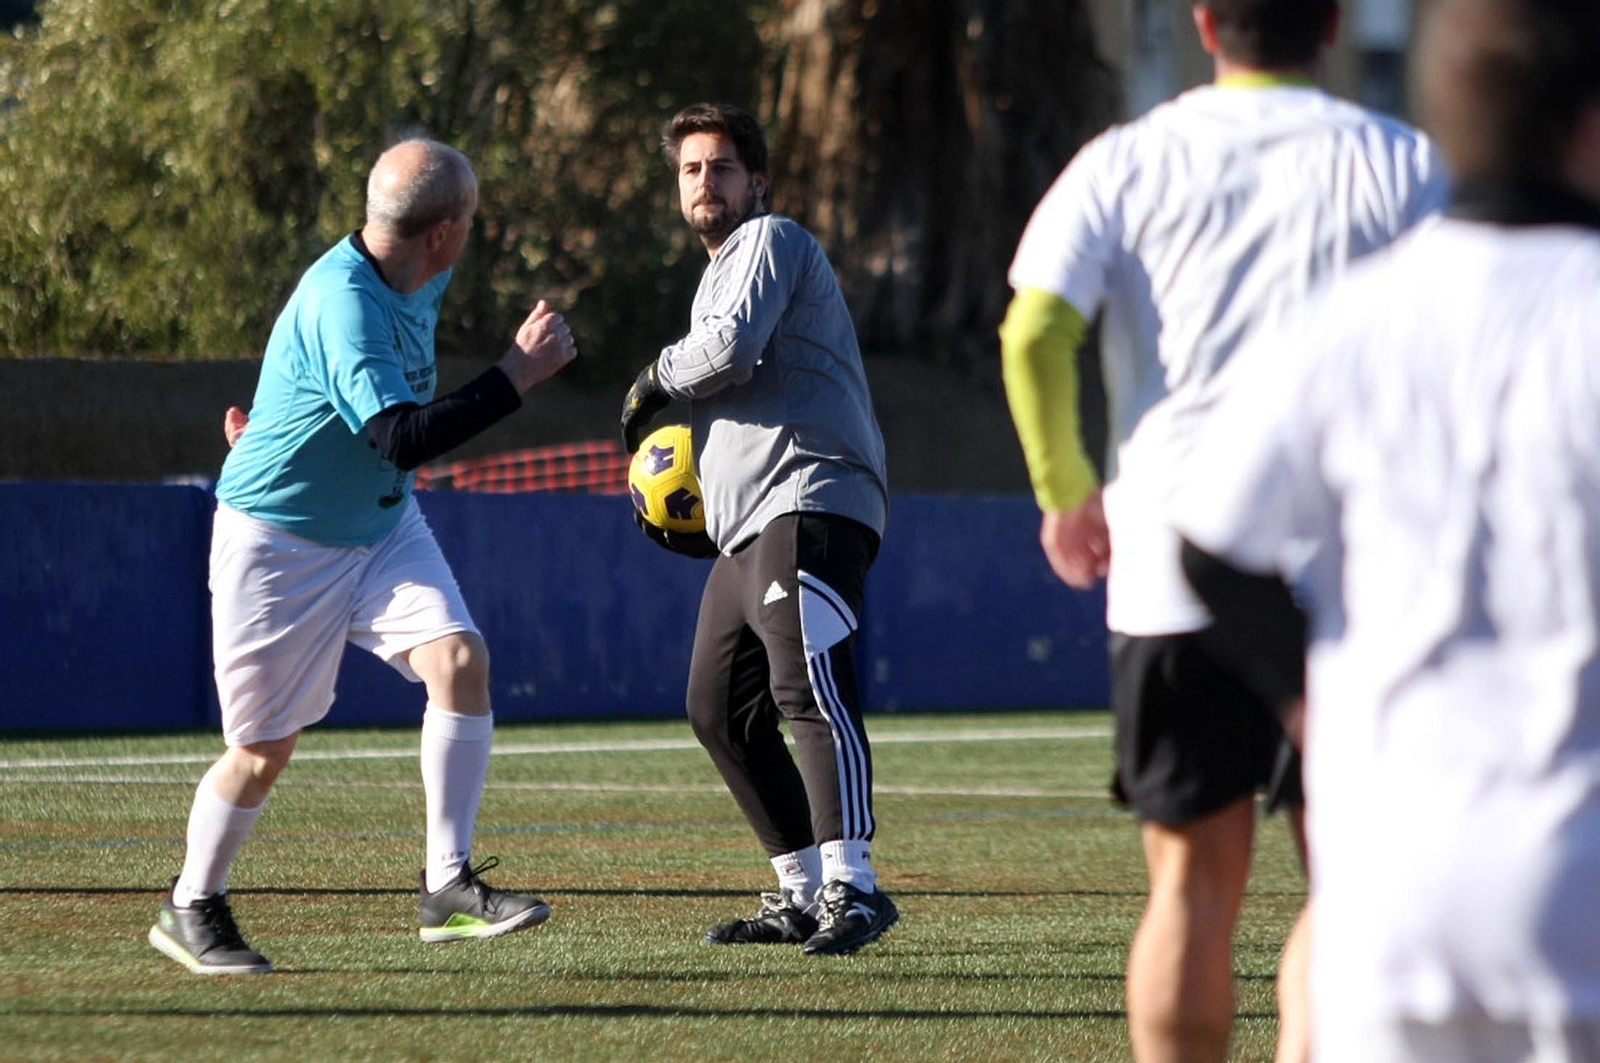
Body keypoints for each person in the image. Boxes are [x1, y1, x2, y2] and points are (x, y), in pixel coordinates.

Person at [998, 1, 1448, 1059]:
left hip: (1170, 572)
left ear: (1203, 24)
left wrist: (1066, 491)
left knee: (1190, 888)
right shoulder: (1401, 161)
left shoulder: (1127, 159)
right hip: (1346, 586)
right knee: (1351, 880)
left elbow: (1032, 332)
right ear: (1333, 26)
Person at [1175, 0, 1600, 1058]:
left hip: (1389, 897)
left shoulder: (1344, 320)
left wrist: (1310, 697)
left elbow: (1212, 546)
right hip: (1575, 890)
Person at [147, 138, 578, 975]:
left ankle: (446, 888)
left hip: (379, 523)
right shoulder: (342, 300)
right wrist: (515, 375)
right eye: (471, 224)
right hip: (281, 544)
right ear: (445, 234)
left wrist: (277, 423)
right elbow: (402, 433)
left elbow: (346, 407)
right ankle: (190, 902)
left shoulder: (419, 266)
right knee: (262, 750)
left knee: (460, 659)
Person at [618, 102, 894, 957]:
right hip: (748, 524)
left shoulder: (769, 240)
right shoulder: (719, 271)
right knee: (718, 708)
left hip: (810, 496)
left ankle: (856, 887)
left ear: (758, 181)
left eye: (723, 166)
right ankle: (802, 891)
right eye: (691, 169)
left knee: (805, 686)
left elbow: (730, 350)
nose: (706, 181)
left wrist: (652, 378)